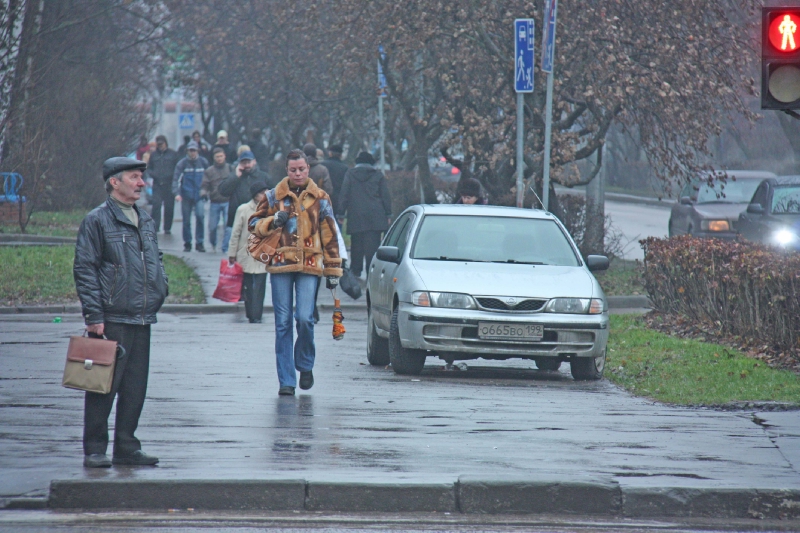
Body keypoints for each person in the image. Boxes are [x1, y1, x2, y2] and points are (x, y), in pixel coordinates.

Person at [73, 156, 168, 468]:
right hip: (112, 317)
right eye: (134, 177)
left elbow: (156, 259)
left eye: (141, 177)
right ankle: (95, 448)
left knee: (135, 388)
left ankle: (126, 446)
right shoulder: (97, 220)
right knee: (102, 386)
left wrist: (161, 287)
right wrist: (94, 316)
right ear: (115, 182)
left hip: (142, 315)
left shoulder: (146, 219)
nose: (141, 183)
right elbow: (85, 270)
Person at [248, 149, 343, 396]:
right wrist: (272, 221)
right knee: (282, 323)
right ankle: (287, 380)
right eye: (293, 170)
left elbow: (330, 236)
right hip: (280, 264)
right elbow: (253, 224)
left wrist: (333, 268)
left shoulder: (320, 198)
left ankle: (305, 365)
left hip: (310, 265)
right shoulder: (273, 197)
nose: (298, 173)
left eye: (301, 169)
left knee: (304, 318)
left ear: (308, 169)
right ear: (287, 171)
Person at [337, 151, 392, 278]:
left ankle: (355, 273)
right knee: (372, 247)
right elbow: (385, 196)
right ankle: (371, 274)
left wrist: (341, 213)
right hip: (376, 216)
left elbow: (344, 194)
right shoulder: (378, 175)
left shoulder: (350, 174)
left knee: (356, 245)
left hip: (356, 215)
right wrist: (388, 214)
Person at [229, 181, 268, 323]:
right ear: (254, 195)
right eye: (261, 193)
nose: (264, 195)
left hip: (263, 253)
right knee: (248, 287)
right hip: (245, 253)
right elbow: (235, 233)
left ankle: (257, 314)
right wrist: (232, 253)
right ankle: (250, 312)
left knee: (260, 285)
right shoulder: (243, 209)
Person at [218, 150, 272, 232]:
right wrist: (235, 176)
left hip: (258, 218)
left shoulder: (264, 177)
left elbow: (273, 196)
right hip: (236, 219)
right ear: (239, 163)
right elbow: (222, 191)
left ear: (254, 161)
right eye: (244, 163)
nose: (246, 165)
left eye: (248, 162)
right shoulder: (235, 176)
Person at [173, 141, 209, 252]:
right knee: (186, 221)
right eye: (190, 150)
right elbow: (176, 179)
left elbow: (208, 178)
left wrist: (206, 191)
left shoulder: (203, 162)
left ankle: (200, 242)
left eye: (194, 150)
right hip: (186, 195)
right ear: (187, 151)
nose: (192, 153)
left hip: (199, 195)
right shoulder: (182, 164)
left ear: (197, 151)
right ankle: (187, 243)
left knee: (200, 217)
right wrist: (177, 193)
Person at [201, 147, 234, 254]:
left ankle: (225, 247)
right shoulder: (209, 171)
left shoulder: (230, 168)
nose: (219, 158)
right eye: (217, 157)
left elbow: (235, 182)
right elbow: (204, 184)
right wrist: (203, 192)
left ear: (224, 156)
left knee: (227, 226)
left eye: (221, 156)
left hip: (227, 201)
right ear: (214, 158)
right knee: (212, 227)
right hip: (214, 202)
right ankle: (213, 243)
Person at [146, 135, 180, 235]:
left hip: (169, 184)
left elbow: (177, 168)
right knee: (156, 205)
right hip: (157, 184)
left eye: (162, 143)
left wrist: (174, 178)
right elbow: (149, 168)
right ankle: (156, 227)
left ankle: (167, 228)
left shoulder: (173, 154)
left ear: (165, 143)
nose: (160, 146)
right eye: (158, 144)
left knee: (169, 207)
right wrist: (153, 174)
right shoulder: (153, 155)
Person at [320, 144, 348, 213]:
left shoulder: (322, 165)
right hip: (338, 201)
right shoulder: (345, 168)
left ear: (330, 153)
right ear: (340, 155)